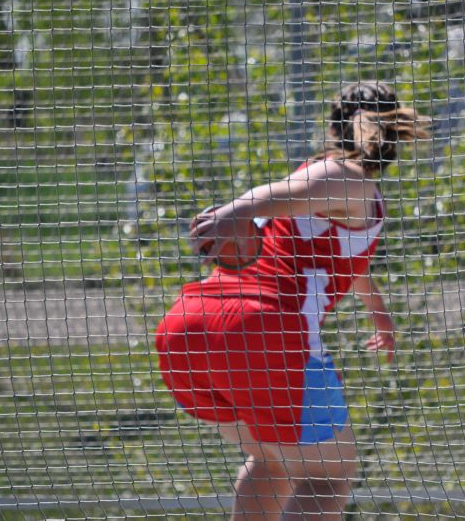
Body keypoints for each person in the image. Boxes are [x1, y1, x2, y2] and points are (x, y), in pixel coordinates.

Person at [155, 82, 429, 520]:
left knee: (275, 463)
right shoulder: (346, 179)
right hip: (263, 333)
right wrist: (235, 211)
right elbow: (284, 194)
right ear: (393, 134)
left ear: (333, 127)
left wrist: (379, 315)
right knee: (328, 477)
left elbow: (342, 261)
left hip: (190, 329)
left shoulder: (333, 185)